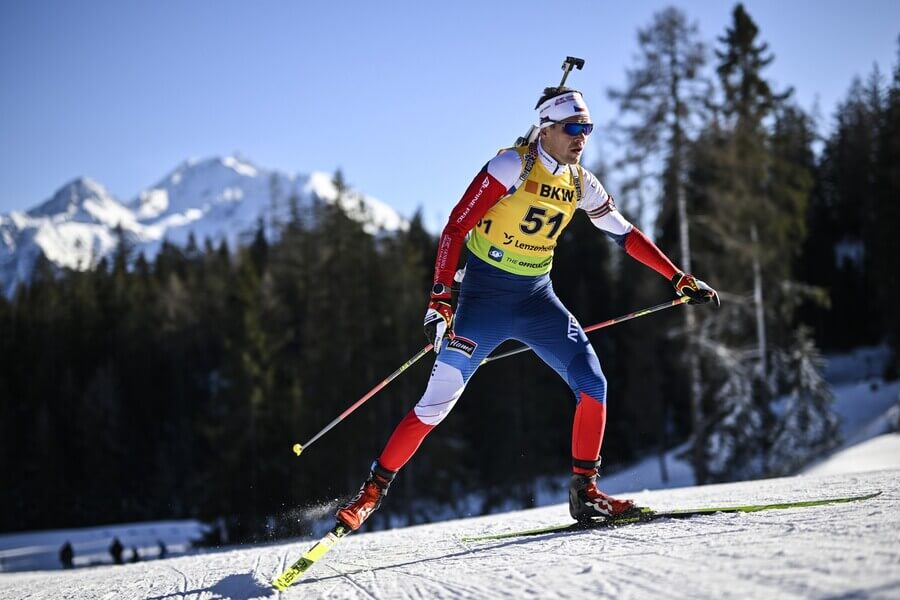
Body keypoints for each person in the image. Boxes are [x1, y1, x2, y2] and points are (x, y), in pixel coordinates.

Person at [335, 86, 718, 531]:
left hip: (538, 300)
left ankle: (586, 493)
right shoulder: (511, 165)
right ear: (547, 129)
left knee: (593, 384)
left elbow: (624, 234)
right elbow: (456, 227)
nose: (582, 138)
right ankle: (371, 494)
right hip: (483, 302)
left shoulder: (580, 181)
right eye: (573, 128)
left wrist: (677, 277)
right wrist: (440, 300)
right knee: (434, 404)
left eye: (588, 129)